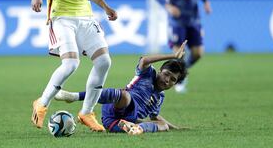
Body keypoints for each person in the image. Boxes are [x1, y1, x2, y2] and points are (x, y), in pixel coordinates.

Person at [30, 0, 119, 132]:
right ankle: (41, 104)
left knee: (104, 62)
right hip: (61, 17)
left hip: (86, 18)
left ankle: (86, 112)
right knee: (71, 64)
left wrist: (106, 8)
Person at [55, 41, 188, 135]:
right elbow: (144, 61)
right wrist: (172, 56)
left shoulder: (160, 98)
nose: (167, 80)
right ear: (160, 71)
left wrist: (175, 128)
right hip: (117, 106)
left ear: (175, 84)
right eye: (166, 74)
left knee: (163, 126)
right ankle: (74, 96)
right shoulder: (148, 73)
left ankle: (137, 129)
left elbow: (155, 116)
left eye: (172, 80)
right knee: (124, 95)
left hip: (119, 122)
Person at [154, 0, 212, 93]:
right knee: (178, 54)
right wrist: (168, 7)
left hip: (194, 19)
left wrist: (206, 2)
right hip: (176, 21)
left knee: (198, 53)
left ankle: (181, 72)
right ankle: (179, 80)